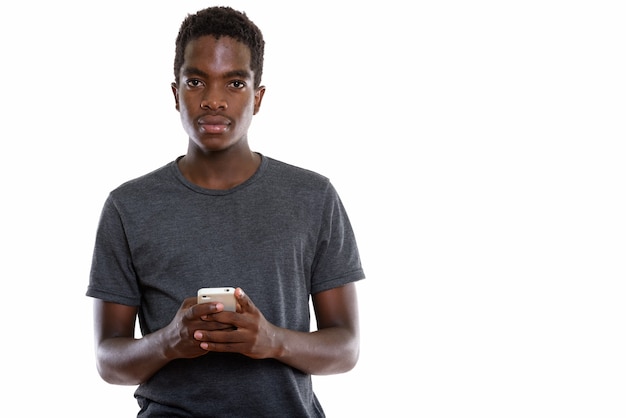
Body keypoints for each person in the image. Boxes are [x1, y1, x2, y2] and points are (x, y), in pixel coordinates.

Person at [86, 5, 365, 417]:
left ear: (258, 97)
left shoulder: (313, 196)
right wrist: (168, 342)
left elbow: (346, 347)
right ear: (176, 93)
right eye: (197, 81)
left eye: (234, 83)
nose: (214, 100)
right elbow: (108, 361)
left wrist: (271, 340)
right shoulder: (128, 206)